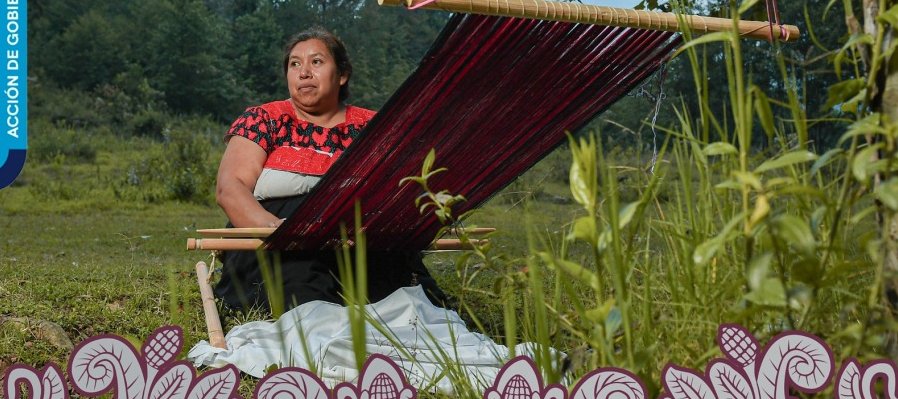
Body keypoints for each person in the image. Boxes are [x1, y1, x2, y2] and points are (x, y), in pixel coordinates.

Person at [213, 26, 448, 312]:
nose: (304, 73)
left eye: (317, 61)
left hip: (360, 244)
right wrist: (278, 230)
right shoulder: (264, 119)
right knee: (304, 298)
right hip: (279, 244)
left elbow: (403, 189)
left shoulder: (374, 127)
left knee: (411, 304)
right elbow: (230, 188)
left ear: (343, 74)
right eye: (294, 64)